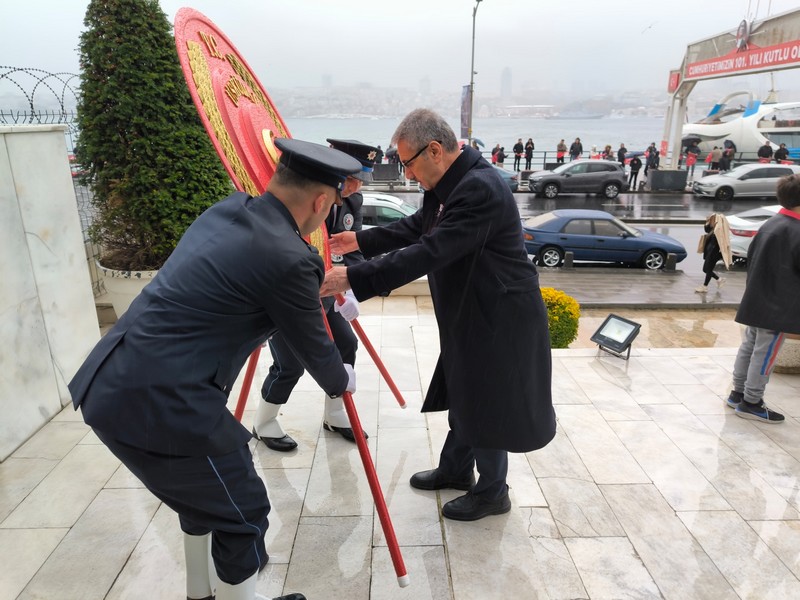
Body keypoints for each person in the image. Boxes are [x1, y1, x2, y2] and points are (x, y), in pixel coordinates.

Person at [68, 138, 362, 600]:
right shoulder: (291, 258)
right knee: (243, 510)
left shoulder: (225, 212)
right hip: (163, 400)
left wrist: (314, 293)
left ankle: (200, 592)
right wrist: (346, 376)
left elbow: (240, 283)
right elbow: (322, 360)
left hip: (114, 378)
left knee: (208, 500)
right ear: (321, 202)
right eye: (328, 209)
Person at [321, 108, 556, 522]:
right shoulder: (451, 181)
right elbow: (418, 227)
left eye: (408, 164)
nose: (407, 175)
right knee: (464, 388)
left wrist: (352, 277)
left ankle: (492, 492)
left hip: (499, 316)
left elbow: (431, 251)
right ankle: (456, 469)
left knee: (485, 401)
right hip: (472, 307)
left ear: (434, 150)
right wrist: (359, 238)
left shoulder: (479, 188)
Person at [253, 139, 377, 451]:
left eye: (360, 179)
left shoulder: (352, 204)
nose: (356, 186)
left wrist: (351, 290)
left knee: (346, 344)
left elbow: (353, 251)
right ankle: (264, 421)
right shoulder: (303, 198)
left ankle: (335, 413)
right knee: (290, 364)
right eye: (351, 178)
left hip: (326, 289)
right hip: (288, 290)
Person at [725, 173, 800, 423]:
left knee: (749, 346)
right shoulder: (797, 230)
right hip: (778, 305)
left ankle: (737, 393)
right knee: (765, 354)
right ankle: (752, 402)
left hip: (756, 299)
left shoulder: (771, 223)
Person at [695, 213, 731, 293]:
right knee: (705, 269)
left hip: (713, 254)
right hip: (709, 253)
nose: (710, 221)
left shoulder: (719, 230)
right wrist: (707, 221)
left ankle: (705, 286)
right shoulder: (713, 229)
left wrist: (711, 254)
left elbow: (720, 243)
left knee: (708, 269)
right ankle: (719, 279)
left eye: (712, 219)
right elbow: (707, 229)